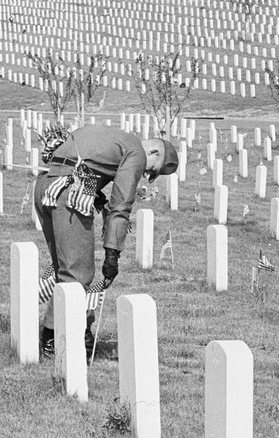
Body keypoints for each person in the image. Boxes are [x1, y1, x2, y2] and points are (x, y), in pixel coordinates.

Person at [34, 125, 179, 361]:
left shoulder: (114, 136)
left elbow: (79, 158)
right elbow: (120, 206)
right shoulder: (136, 152)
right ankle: (56, 339)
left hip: (45, 186)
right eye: (154, 170)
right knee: (78, 274)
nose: (148, 176)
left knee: (64, 269)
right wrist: (113, 254)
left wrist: (96, 190)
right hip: (68, 193)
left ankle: (64, 333)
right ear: (153, 152)